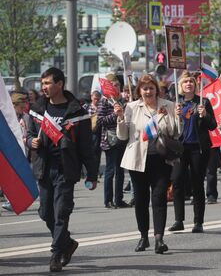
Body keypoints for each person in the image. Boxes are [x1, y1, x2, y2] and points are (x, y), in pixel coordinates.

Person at [27, 67, 98, 272]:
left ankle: (56, 254)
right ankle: (67, 243)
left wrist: (91, 174)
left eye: (48, 83)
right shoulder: (38, 109)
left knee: (61, 213)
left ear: (60, 84)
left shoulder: (77, 112)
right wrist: (32, 141)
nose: (44, 88)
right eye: (43, 84)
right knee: (45, 212)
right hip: (44, 168)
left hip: (65, 170)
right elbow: (30, 133)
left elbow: (86, 147)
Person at [115, 74, 178, 254]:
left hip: (161, 159)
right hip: (137, 159)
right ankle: (144, 236)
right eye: (145, 88)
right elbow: (122, 136)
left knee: (159, 198)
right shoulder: (132, 107)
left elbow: (174, 132)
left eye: (151, 88)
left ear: (156, 90)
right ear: (139, 91)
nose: (148, 91)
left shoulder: (168, 105)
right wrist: (120, 118)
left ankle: (159, 238)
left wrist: (176, 117)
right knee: (141, 200)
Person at [168, 70, 217, 233]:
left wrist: (205, 115)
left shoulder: (203, 102)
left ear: (195, 85)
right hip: (180, 148)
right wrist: (174, 116)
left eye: (191, 81)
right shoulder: (176, 103)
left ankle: (198, 222)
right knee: (177, 181)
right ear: (180, 86)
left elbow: (213, 126)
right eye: (185, 82)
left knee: (197, 184)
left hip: (198, 148)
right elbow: (169, 128)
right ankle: (178, 220)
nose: (188, 84)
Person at [96, 74, 130, 209]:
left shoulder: (121, 100)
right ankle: (108, 200)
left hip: (122, 138)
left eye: (118, 85)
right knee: (110, 171)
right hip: (109, 139)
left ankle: (119, 198)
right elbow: (100, 120)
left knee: (120, 170)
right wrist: (114, 115)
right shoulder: (104, 101)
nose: (116, 88)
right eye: (114, 85)